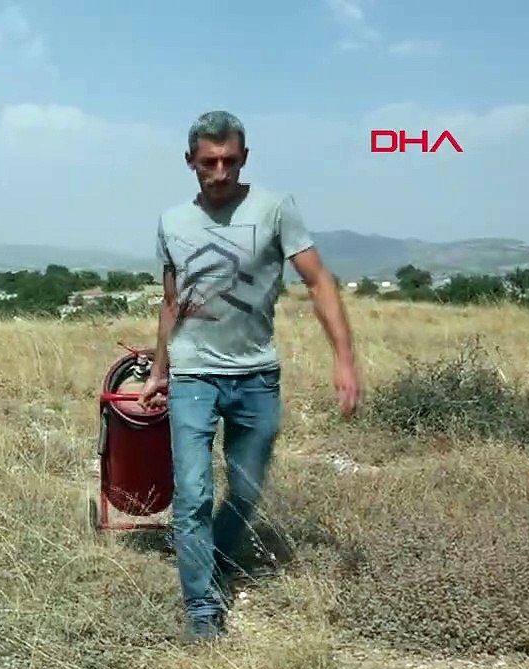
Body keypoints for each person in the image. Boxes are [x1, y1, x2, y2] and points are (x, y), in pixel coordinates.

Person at [137, 110, 361, 642]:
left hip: (256, 375)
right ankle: (202, 609)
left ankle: (213, 554)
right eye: (208, 162)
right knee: (192, 493)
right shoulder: (172, 221)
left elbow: (319, 281)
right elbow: (171, 302)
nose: (220, 172)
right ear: (190, 161)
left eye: (230, 161)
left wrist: (344, 359)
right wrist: (160, 370)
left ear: (244, 158)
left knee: (246, 488)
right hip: (194, 375)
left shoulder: (275, 209)